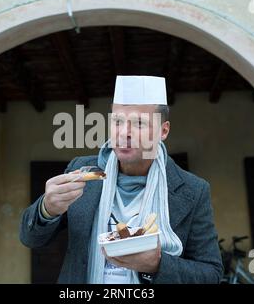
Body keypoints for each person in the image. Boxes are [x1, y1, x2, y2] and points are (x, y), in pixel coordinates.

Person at [20, 75, 223, 283]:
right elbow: (30, 238)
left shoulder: (193, 190)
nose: (124, 133)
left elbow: (212, 274)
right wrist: (47, 209)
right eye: (117, 121)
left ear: (164, 131)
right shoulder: (82, 172)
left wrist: (157, 265)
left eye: (139, 124)